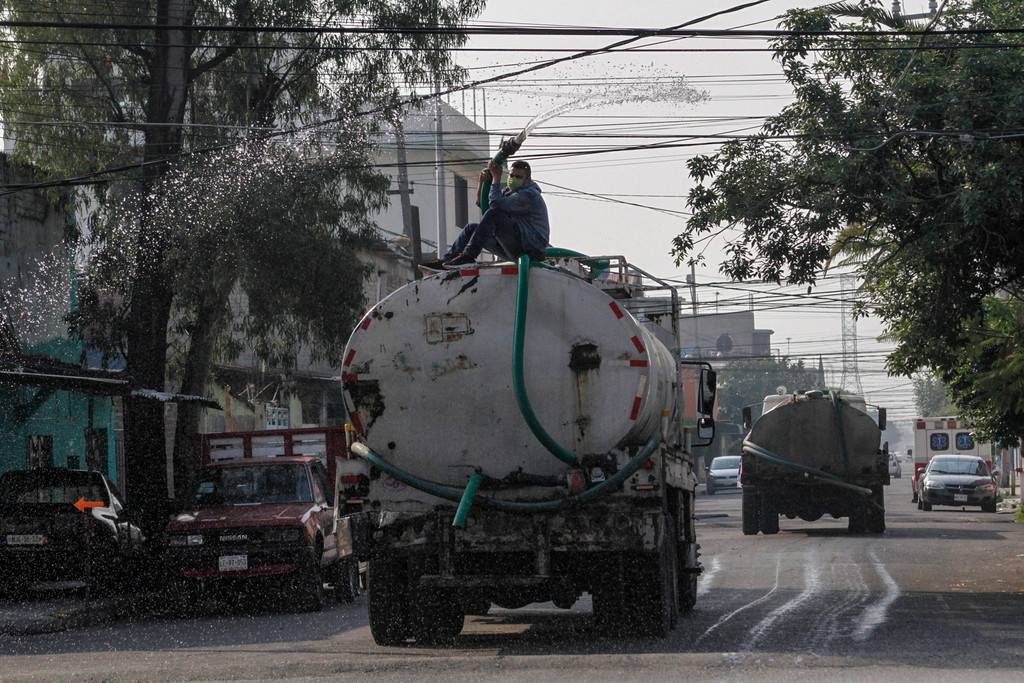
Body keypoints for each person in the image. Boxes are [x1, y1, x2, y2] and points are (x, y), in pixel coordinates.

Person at [419, 159, 549, 272]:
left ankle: (468, 257)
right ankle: (445, 261)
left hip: (529, 248)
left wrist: (496, 179)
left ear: (528, 179)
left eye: (518, 177)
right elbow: (484, 205)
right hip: (513, 245)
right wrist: (482, 182)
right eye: (511, 175)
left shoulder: (529, 195)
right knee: (471, 228)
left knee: (494, 214)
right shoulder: (509, 193)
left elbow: (495, 206)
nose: (513, 179)